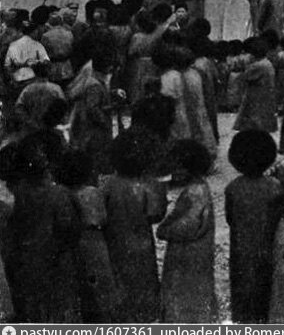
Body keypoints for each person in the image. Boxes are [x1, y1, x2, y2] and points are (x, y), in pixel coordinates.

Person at [2, 135, 82, 322]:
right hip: (56, 267)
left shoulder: (13, 197)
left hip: (25, 268)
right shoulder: (60, 195)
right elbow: (71, 231)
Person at [101, 131, 168, 321]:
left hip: (114, 242)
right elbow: (156, 215)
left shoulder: (108, 184)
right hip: (141, 243)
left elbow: (102, 212)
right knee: (144, 283)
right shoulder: (149, 185)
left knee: (119, 284)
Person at [225, 130, 284, 323]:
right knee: (266, 290)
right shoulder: (275, 187)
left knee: (242, 289)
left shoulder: (233, 188)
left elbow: (230, 219)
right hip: (268, 247)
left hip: (241, 248)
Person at [156, 140, 218, 323]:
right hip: (196, 252)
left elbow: (189, 225)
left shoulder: (194, 192)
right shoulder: (200, 187)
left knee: (185, 297)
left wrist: (165, 230)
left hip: (188, 254)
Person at [57, 149, 121, 323]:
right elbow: (102, 218)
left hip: (74, 244)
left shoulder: (62, 193)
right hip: (94, 241)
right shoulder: (93, 192)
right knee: (100, 289)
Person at [234, 37, 278, 134]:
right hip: (266, 95)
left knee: (254, 123)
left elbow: (245, 77)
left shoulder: (257, 65)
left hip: (256, 97)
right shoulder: (268, 63)